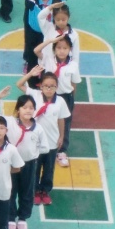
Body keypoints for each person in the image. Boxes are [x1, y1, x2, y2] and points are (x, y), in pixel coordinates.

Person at [0, 87, 49, 229]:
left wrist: (32, 153)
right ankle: (10, 220)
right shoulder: (9, 122)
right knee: (10, 190)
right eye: (24, 107)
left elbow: (45, 147)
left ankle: (22, 220)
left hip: (29, 165)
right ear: (18, 109)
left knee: (27, 192)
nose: (28, 110)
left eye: (31, 108)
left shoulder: (38, 128)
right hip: (10, 164)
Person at [16, 66, 71, 206]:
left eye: (52, 86)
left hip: (52, 142)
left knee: (49, 169)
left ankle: (45, 191)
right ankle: (35, 191)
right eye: (46, 86)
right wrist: (30, 74)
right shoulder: (35, 95)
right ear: (41, 86)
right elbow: (19, 84)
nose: (49, 89)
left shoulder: (60, 102)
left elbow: (61, 120)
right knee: (35, 168)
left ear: (57, 87)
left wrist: (61, 137)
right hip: (35, 142)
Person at [34, 35, 81, 167]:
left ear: (70, 49)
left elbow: (74, 83)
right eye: (59, 48)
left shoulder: (73, 65)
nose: (61, 51)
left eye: (65, 48)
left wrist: (72, 98)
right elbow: (36, 51)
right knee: (44, 120)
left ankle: (61, 151)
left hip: (65, 96)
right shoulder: (48, 60)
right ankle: (40, 145)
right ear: (54, 49)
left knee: (65, 122)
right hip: (48, 94)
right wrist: (50, 41)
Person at [21, 0, 55, 85]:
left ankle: (44, 79)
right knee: (32, 56)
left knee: (45, 56)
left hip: (46, 34)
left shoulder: (54, 3)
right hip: (33, 32)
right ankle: (32, 81)